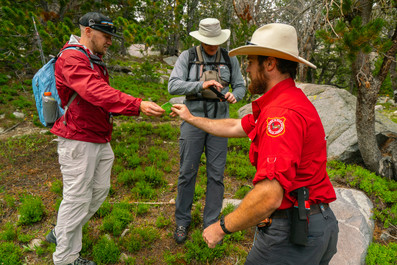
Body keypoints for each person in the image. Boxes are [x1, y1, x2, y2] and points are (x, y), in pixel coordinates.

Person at [171, 23, 339, 264]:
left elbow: (269, 195)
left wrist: (220, 228)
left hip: (291, 232)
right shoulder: (287, 100)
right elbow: (235, 126)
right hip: (316, 223)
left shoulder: (280, 114)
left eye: (251, 61)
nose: (247, 68)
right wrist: (191, 118)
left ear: (269, 64)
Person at [45, 12, 164, 265]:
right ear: (88, 31)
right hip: (78, 138)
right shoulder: (72, 57)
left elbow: (101, 94)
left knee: (98, 191)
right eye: (105, 36)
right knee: (77, 197)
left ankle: (61, 232)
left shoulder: (91, 58)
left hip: (97, 136)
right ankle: (65, 258)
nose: (109, 41)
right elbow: (95, 92)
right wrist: (137, 105)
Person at [168, 18, 246, 244]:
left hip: (220, 124)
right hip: (192, 121)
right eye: (208, 42)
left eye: (216, 42)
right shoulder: (188, 57)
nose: (212, 46)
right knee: (187, 172)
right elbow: (173, 85)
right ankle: (182, 220)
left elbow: (240, 85)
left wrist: (236, 95)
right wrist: (199, 85)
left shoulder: (231, 59)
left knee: (216, 175)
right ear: (200, 39)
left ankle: (211, 223)